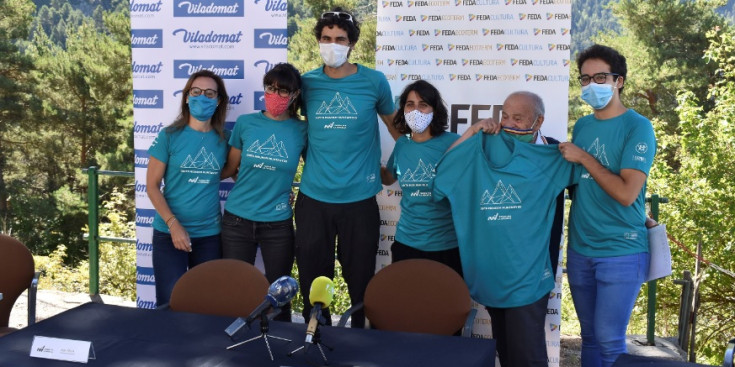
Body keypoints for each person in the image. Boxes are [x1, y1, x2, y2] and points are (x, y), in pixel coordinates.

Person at [436, 92, 577, 367]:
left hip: (529, 275)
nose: (508, 123)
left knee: (528, 356)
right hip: (492, 273)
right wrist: (473, 131)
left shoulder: (554, 153)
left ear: (538, 122)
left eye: (518, 118)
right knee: (506, 351)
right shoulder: (485, 144)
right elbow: (444, 172)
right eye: (505, 116)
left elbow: (591, 187)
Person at [295, 7, 398, 328]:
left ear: (352, 43)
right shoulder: (306, 83)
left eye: (340, 39)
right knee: (313, 281)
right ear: (318, 41)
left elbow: (400, 133)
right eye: (326, 38)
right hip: (313, 199)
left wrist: (391, 169)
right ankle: (316, 338)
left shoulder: (374, 81)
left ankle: (360, 343)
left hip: (359, 201)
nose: (332, 44)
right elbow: (290, 130)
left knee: (361, 280)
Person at [558, 44, 656, 367]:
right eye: (585, 79)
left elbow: (627, 193)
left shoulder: (637, 126)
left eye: (600, 77)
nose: (591, 85)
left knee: (610, 340)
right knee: (589, 338)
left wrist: (584, 157)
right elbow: (578, 184)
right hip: (581, 248)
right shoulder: (583, 126)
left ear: (619, 81)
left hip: (621, 250)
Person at [219, 63, 306, 322]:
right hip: (237, 219)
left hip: (277, 224)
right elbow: (230, 169)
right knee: (237, 289)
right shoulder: (246, 123)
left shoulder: (302, 129)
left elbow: (316, 168)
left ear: (295, 95)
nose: (275, 95)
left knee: (280, 294)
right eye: (271, 88)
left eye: (283, 91)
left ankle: (281, 348)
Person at [146, 70, 230, 307]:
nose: (202, 97)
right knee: (170, 302)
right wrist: (174, 225)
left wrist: (282, 190)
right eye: (196, 92)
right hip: (169, 233)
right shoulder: (169, 136)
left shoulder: (225, 140)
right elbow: (152, 186)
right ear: (186, 97)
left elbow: (242, 174)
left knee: (205, 303)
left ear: (218, 100)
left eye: (209, 93)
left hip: (209, 236)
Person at [380, 80, 462, 276]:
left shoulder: (453, 143)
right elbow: (389, 178)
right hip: (407, 244)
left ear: (435, 110)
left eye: (423, 105)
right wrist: (367, 161)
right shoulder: (402, 145)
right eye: (410, 105)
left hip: (446, 246)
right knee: (408, 304)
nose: (416, 111)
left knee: (445, 305)